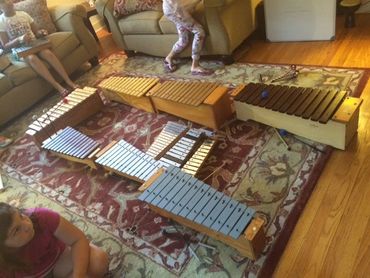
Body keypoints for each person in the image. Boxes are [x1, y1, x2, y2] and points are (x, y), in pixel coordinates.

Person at [0, 202, 109, 277]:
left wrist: (78, 275)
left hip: (58, 260)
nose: (27, 225)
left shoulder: (41, 217)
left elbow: (78, 239)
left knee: (98, 260)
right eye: (16, 230)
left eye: (21, 216)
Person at [0, 0, 79, 97]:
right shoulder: (1, 21)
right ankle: (57, 86)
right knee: (32, 58)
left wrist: (41, 33)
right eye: (3, 2)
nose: (7, 3)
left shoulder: (23, 14)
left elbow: (36, 32)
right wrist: (19, 39)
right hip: (20, 50)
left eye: (8, 0)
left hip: (35, 44)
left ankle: (69, 81)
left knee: (47, 53)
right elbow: (5, 46)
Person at [163, 0, 213, 75]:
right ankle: (195, 66)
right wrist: (178, 13)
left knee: (184, 39)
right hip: (176, 10)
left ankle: (168, 58)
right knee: (199, 32)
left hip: (172, 9)